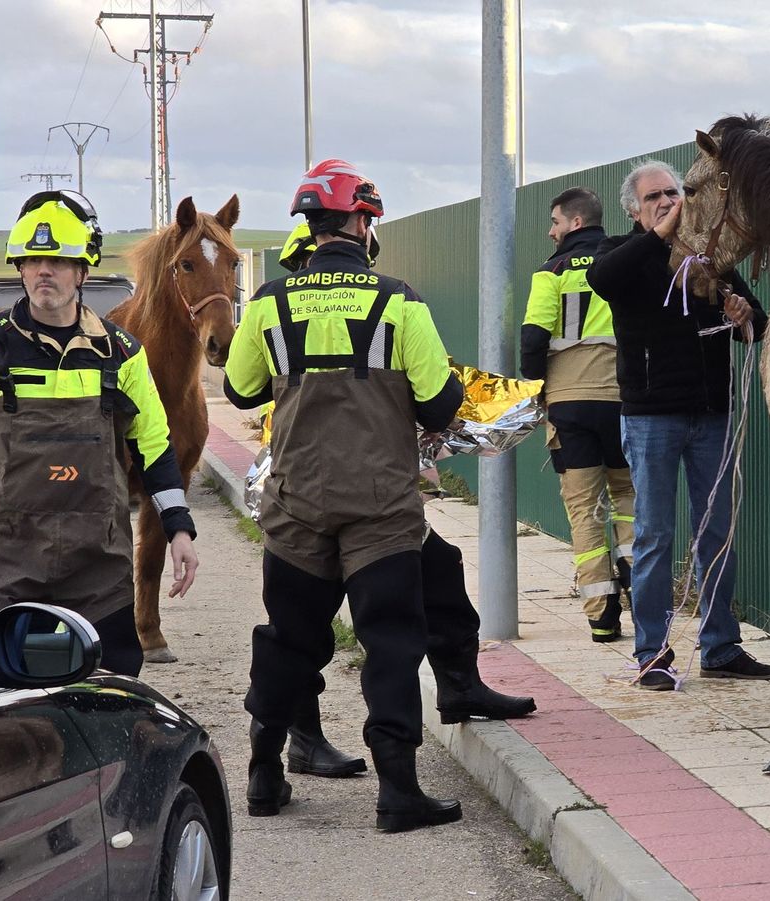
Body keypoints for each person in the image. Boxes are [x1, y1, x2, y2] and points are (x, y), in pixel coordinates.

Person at [225, 159, 471, 833]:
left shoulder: (272, 301)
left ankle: (264, 774)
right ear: (362, 222)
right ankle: (398, 792)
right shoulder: (399, 301)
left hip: (297, 502)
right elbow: (441, 403)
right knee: (390, 641)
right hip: (380, 510)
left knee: (289, 641)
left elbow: (242, 389)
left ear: (311, 225)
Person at [269, 219, 535, 782]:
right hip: (318, 484)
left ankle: (460, 687)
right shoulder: (303, 309)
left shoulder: (308, 303)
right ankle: (304, 738)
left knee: (439, 567)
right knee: (309, 626)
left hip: (351, 477)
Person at [0, 191, 199, 677]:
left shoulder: (121, 353)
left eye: (59, 261)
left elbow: (155, 448)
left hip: (97, 570)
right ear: (19, 269)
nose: (45, 271)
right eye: (33, 260)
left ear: (83, 271)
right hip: (0, 571)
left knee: (109, 701)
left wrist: (179, 528)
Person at [586, 160, 770, 690]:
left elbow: (758, 322)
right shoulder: (621, 254)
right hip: (651, 418)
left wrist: (744, 313)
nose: (669, 201)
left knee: (716, 533)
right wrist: (661, 234)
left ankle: (721, 646)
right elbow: (602, 280)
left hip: (710, 414)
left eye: (675, 193)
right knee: (654, 535)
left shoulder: (707, 258)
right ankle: (651, 652)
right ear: (634, 208)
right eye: (656, 197)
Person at [520, 187, 635, 643]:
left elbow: (532, 339)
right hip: (625, 401)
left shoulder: (550, 274)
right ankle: (640, 591)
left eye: (555, 222)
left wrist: (537, 393)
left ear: (575, 223)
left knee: (584, 509)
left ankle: (602, 618)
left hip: (569, 405)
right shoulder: (624, 265)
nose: (551, 232)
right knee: (628, 498)